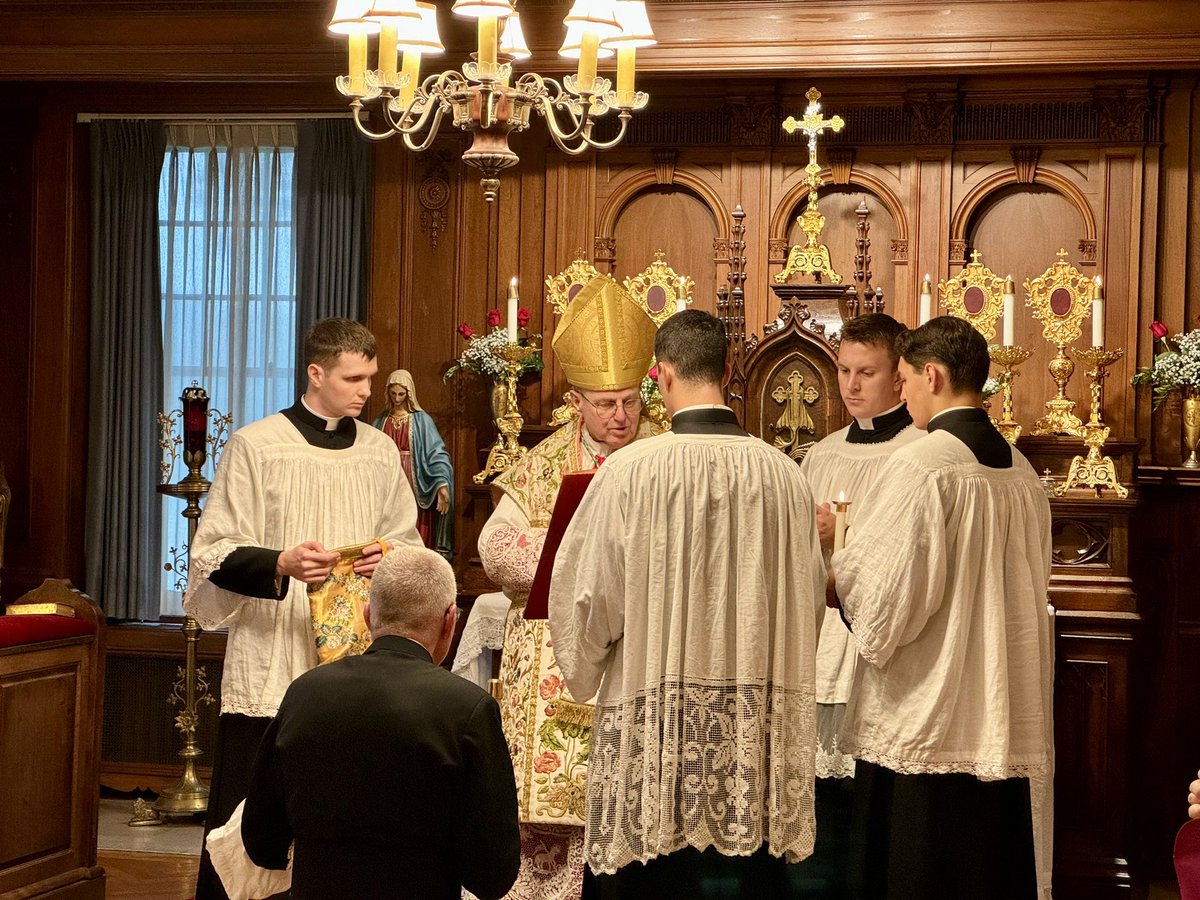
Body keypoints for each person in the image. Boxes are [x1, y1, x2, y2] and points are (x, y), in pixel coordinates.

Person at [548, 309, 826, 898]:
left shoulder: (627, 473)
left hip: (653, 718)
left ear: (661, 375)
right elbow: (808, 601)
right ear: (728, 370)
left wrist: (586, 666)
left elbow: (589, 595)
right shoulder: (784, 476)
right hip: (752, 727)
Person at [184, 317, 423, 900]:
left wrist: (383, 554)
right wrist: (282, 562)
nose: (366, 390)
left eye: (369, 376)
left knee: (347, 806)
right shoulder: (258, 445)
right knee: (256, 807)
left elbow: (408, 540)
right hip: (273, 650)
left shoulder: (377, 451)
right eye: (352, 378)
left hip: (352, 658)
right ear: (315, 374)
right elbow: (212, 551)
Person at [829, 315, 1055, 900]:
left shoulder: (924, 465)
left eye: (903, 379)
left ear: (931, 374)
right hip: (995, 713)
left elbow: (884, 600)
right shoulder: (1023, 472)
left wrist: (836, 571)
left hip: (926, 718)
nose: (901, 393)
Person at [478, 274, 659, 900]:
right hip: (555, 651)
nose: (620, 416)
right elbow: (496, 549)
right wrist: (585, 566)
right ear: (577, 401)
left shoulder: (664, 457)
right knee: (546, 833)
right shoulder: (544, 463)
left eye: (630, 401)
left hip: (640, 653)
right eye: (605, 403)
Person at [239, 546, 521, 900]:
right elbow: (494, 872)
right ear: (450, 619)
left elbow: (262, 841)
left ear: (368, 614)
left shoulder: (303, 693)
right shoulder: (467, 707)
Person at [793, 314, 922, 895]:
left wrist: (839, 539)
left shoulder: (920, 453)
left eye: (865, 372)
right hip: (818, 637)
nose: (850, 385)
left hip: (875, 639)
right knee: (817, 801)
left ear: (900, 376)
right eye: (843, 370)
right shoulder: (820, 454)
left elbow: (909, 551)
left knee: (866, 797)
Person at [372, 368, 455, 559]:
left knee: (413, 516)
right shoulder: (381, 421)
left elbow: (437, 453)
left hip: (413, 475)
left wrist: (442, 483)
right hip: (388, 475)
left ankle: (417, 558)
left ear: (409, 394)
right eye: (393, 394)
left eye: (401, 394)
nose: (397, 398)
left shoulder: (421, 420)